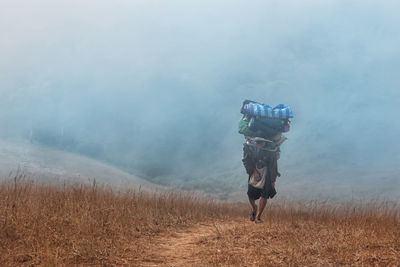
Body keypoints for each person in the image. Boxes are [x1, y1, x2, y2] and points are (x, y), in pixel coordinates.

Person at [242, 137, 280, 223]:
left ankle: (258, 217)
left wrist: (273, 180)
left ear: (265, 142)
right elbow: (246, 160)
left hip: (267, 172)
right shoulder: (249, 147)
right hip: (253, 170)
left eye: (261, 143)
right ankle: (254, 208)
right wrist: (254, 171)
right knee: (250, 193)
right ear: (254, 142)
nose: (259, 144)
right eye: (257, 142)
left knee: (265, 194)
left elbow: (273, 165)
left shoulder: (271, 149)